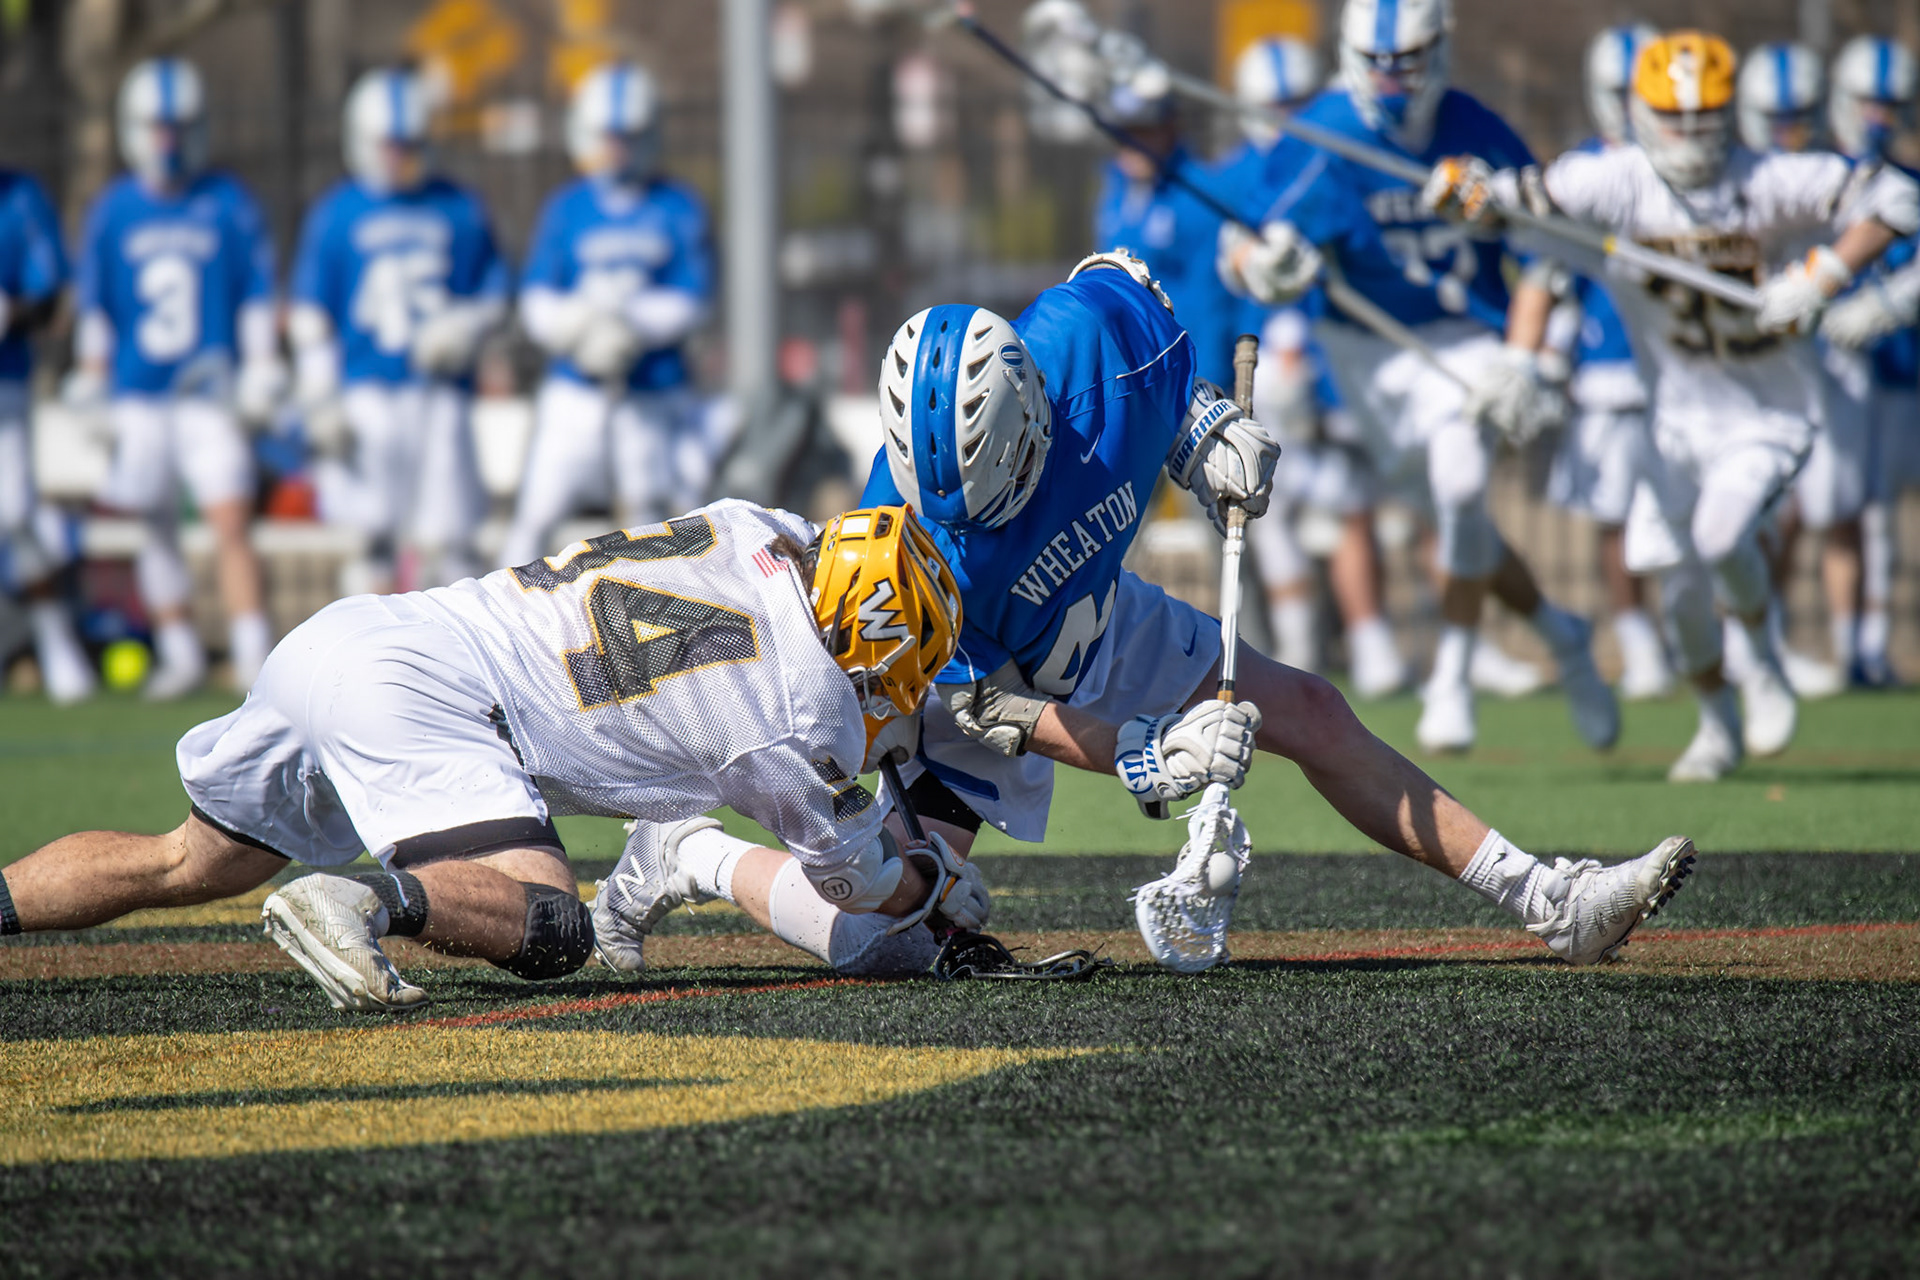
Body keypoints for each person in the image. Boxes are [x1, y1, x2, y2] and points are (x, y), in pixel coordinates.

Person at [596, 249, 1696, 973]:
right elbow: (988, 714)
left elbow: (1125, 287)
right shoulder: (911, 546)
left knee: (1309, 707)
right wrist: (1144, 756)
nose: (960, 517)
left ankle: (1554, 899)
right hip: (958, 689)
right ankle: (678, 854)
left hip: (1093, 613)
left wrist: (1206, 425)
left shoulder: (1099, 345)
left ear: (1038, 406)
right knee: (884, 938)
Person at [0, 501, 978, 1010]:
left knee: (185, 859)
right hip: (428, 698)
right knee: (556, 922)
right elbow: (863, 893)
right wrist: (929, 873)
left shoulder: (752, 526)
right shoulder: (795, 708)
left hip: (354, 634)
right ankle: (363, 900)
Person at [1422, 30, 1920, 782]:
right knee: (1678, 588)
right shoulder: (1614, 181)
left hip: (1767, 411)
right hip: (1675, 421)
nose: (1690, 137)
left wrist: (1823, 275)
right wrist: (1467, 192)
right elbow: (1522, 213)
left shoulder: (1773, 177)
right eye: (1675, 119)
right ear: (1644, 113)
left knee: (1722, 535)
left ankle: (1761, 657)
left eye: (1704, 118)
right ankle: (1718, 720)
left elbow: (1899, 196)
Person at [1216, 0, 1619, 755]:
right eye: (1378, 60)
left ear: (1438, 50)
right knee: (1456, 517)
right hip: (1366, 355)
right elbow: (1241, 240)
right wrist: (1263, 266)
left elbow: (1543, 250)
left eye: (1407, 58)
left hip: (1465, 340)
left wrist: (1527, 354)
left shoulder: (1480, 133)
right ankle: (1562, 633)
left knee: (1463, 487)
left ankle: (1451, 678)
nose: (1392, 78)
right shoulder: (1327, 131)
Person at [65, 57, 279, 698]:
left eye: (178, 126)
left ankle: (252, 654)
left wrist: (263, 365)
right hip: (138, 393)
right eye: (156, 127)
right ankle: (180, 648)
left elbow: (255, 295)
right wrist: (90, 378)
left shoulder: (227, 202)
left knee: (229, 521)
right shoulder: (114, 210)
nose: (167, 141)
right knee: (153, 522)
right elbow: (97, 307)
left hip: (207, 391)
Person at [289, 66, 507, 595]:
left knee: (451, 539)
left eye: (408, 144)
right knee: (371, 537)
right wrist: (319, 393)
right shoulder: (337, 213)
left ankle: (455, 666)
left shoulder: (458, 206)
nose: (399, 156)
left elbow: (496, 291)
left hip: (439, 392)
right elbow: (310, 312)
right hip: (367, 391)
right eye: (389, 144)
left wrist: (467, 325)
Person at [501, 60, 716, 568]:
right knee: (536, 514)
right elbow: (535, 299)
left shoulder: (678, 206)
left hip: (653, 392)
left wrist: (631, 327)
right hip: (575, 390)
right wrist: (579, 329)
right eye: (608, 136)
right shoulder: (566, 207)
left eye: (629, 136)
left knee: (651, 519)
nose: (617, 148)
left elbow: (694, 298)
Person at [1540, 23, 1674, 703]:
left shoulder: (1687, 165)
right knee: (1613, 514)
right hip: (1606, 365)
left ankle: (1710, 635)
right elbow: (1552, 271)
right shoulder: (1582, 171)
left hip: (1685, 368)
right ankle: (1639, 638)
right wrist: (1548, 351)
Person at [1731, 40, 1851, 699]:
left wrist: (1834, 283)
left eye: (1799, 114)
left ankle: (1835, 642)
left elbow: (1889, 216)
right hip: (1741, 373)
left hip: (1826, 366)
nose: (1787, 131)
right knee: (1748, 520)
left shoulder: (1822, 176)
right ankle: (1750, 646)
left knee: (1834, 507)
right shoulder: (1736, 178)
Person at [1816, 35, 1920, 688]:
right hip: (1833, 372)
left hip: (1900, 367)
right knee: (1837, 505)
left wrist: (1885, 306)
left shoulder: (1909, 186)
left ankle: (1871, 646)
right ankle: (1847, 644)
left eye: (1891, 103)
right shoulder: (1823, 182)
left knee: (1881, 507)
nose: (1878, 116)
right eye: (1868, 102)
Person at [0, 167, 93, 703]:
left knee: (15, 512)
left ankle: (56, 642)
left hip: (7, 381)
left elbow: (53, 300)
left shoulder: (20, 197)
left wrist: (10, 311)